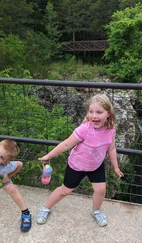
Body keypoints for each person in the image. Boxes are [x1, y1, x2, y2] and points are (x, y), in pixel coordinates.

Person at [36, 93, 124, 227]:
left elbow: (111, 149)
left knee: (101, 190)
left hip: (96, 165)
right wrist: (49, 156)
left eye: (99, 112)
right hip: (77, 165)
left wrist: (116, 167)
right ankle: (45, 207)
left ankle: (96, 211)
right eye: (91, 112)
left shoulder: (111, 130)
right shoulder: (84, 129)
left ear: (108, 113)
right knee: (65, 191)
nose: (94, 116)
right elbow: (66, 144)